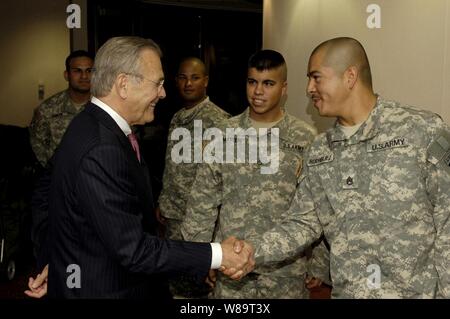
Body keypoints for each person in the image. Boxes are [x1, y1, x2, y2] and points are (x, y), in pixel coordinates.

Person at [24, 36, 255, 299]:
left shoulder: (87, 124)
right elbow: (134, 250)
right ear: (123, 84)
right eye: (157, 83)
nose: (163, 93)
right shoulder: (102, 147)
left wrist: (55, 260)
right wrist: (219, 254)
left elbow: (48, 194)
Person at [245, 37, 450, 298]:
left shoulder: (422, 131)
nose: (309, 88)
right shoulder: (320, 150)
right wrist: (250, 252)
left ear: (350, 76)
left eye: (316, 77)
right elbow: (302, 222)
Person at [181, 49, 330, 299]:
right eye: (252, 82)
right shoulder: (223, 134)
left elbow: (318, 205)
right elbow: (202, 202)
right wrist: (202, 257)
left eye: (268, 83)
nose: (258, 91)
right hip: (231, 272)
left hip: (285, 273)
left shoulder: (305, 138)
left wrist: (319, 262)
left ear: (283, 88)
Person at [155, 57, 230, 298]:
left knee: (199, 284)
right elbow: (173, 166)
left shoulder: (219, 121)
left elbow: (222, 178)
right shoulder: (177, 117)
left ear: (205, 81)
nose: (188, 83)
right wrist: (163, 201)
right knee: (176, 282)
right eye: (183, 77)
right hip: (173, 215)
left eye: (195, 77)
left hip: (199, 220)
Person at [29, 50, 94, 168]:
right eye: (77, 71)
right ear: (66, 75)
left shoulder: (106, 106)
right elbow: (37, 145)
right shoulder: (47, 109)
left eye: (89, 71)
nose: (84, 76)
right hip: (57, 178)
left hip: (95, 176)